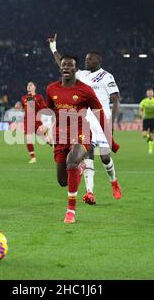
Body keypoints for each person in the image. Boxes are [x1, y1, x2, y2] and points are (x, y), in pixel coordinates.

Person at [47, 33, 121, 204]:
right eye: (86, 59)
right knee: (87, 155)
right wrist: (53, 48)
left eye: (90, 59)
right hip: (85, 121)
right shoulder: (82, 75)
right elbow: (63, 65)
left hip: (101, 119)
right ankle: (90, 192)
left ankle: (114, 182)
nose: (87, 61)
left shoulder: (107, 77)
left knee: (105, 157)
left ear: (98, 61)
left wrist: (112, 123)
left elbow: (116, 99)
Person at [45, 55, 111, 224]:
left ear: (76, 69)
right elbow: (50, 111)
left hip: (82, 131)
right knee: (62, 181)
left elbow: (99, 113)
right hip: (61, 135)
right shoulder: (51, 89)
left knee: (72, 160)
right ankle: (80, 169)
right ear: (60, 68)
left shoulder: (85, 90)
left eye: (70, 65)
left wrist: (110, 137)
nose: (66, 67)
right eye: (63, 65)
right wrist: (47, 129)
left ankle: (70, 211)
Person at [21, 82, 47, 163]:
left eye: (31, 85)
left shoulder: (39, 97)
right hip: (27, 121)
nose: (29, 86)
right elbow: (24, 108)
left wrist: (35, 103)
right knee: (28, 139)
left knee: (45, 139)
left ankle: (57, 149)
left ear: (35, 87)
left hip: (37, 121)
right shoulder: (24, 98)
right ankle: (33, 158)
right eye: (28, 85)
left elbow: (44, 108)